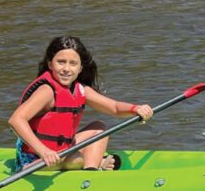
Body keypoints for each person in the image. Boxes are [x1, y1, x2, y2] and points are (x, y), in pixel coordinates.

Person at [8, 35, 154, 172]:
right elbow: (15, 120)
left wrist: (136, 109)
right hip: (34, 160)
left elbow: (114, 108)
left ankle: (91, 171)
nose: (66, 69)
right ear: (50, 64)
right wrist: (43, 151)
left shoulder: (81, 90)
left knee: (99, 128)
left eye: (73, 63)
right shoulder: (47, 91)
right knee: (76, 159)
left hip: (61, 153)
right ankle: (95, 165)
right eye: (61, 62)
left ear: (80, 68)